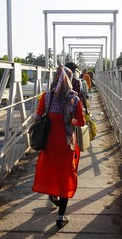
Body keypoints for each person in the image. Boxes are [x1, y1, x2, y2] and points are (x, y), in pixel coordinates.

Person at [32, 65, 85, 229]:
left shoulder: (46, 96)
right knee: (64, 177)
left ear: (55, 78)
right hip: (66, 145)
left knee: (52, 171)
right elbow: (81, 122)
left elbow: (36, 117)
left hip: (49, 144)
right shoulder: (74, 99)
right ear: (70, 79)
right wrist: (70, 122)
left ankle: (52, 195)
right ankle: (60, 217)